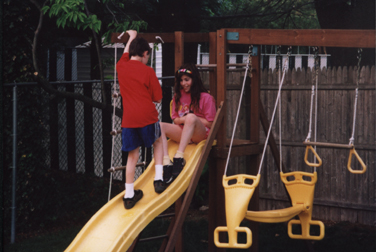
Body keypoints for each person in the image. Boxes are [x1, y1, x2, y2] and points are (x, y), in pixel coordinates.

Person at [117, 30, 165, 210]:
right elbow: (158, 98)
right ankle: (159, 179)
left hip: (128, 120)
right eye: (147, 56)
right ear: (145, 54)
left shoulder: (121, 67)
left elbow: (125, 54)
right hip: (147, 116)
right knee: (158, 142)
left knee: (132, 156)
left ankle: (129, 195)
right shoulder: (148, 71)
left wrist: (131, 37)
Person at [159, 63, 216, 185]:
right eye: (181, 80)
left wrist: (192, 118)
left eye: (187, 80)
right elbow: (175, 119)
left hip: (200, 135)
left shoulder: (206, 98)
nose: (184, 83)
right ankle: (166, 162)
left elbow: (211, 124)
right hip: (184, 132)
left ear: (194, 80)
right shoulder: (178, 96)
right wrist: (185, 119)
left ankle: (179, 158)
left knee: (190, 117)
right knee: (159, 126)